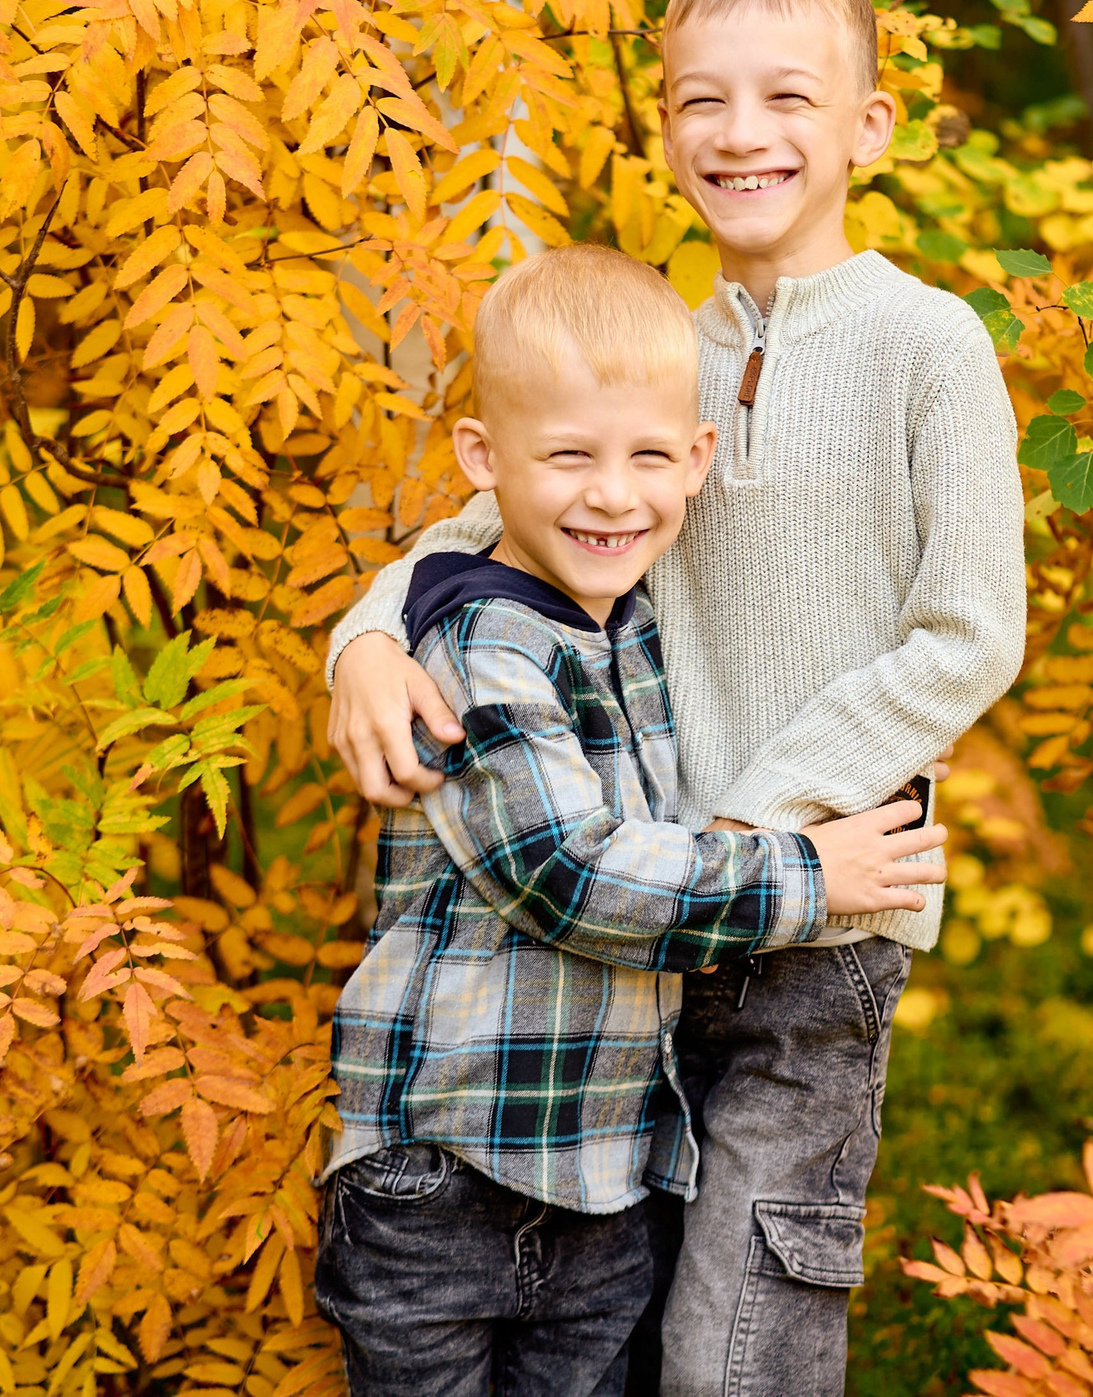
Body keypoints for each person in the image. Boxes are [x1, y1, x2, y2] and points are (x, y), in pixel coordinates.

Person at [325, 0, 1027, 1396]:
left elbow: (971, 631)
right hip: (632, 929)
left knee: (741, 1340)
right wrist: (367, 637)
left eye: (787, 96)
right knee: (618, 1329)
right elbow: (484, 515)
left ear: (867, 126)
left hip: (816, 931)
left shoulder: (928, 346)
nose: (744, 132)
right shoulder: (659, 350)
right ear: (665, 128)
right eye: (704, 100)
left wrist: (770, 820)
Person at [313, 242, 951, 1397]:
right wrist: (806, 874)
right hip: (446, 1182)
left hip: (602, 1189)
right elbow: (569, 875)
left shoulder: (628, 616)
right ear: (482, 459)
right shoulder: (482, 646)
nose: (613, 493)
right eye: (568, 458)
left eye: (648, 458)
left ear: (697, 458)